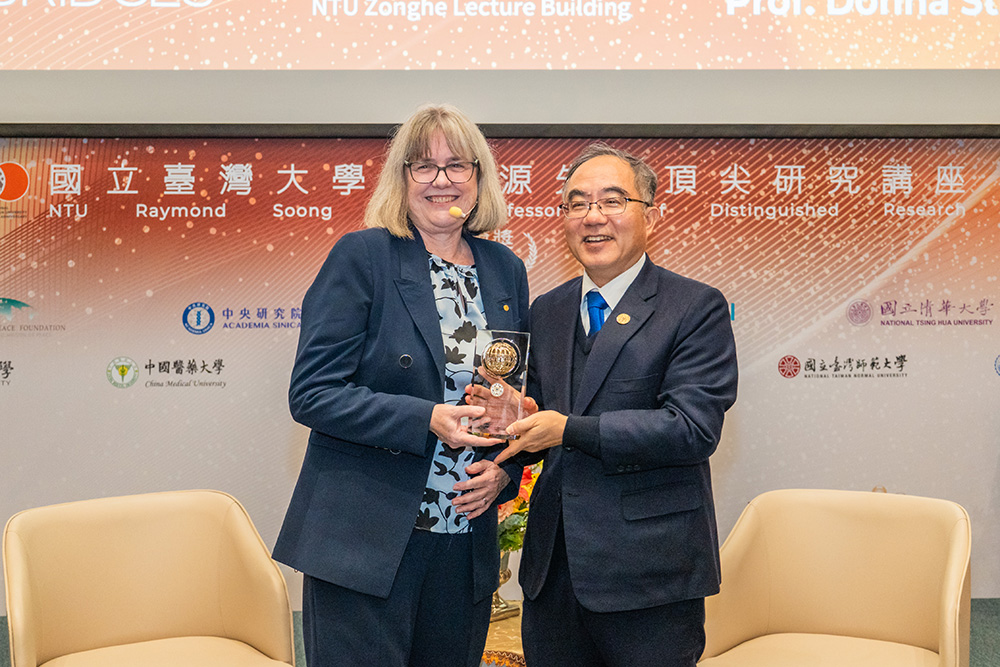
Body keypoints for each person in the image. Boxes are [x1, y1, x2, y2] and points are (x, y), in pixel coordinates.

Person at [272, 104, 529, 667]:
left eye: (457, 165)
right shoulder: (364, 256)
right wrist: (426, 419)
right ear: (402, 177)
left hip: (463, 535)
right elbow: (312, 392)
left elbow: (507, 396)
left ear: (478, 178)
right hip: (367, 536)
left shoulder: (504, 268)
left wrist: (503, 473)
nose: (442, 180)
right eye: (424, 166)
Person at [497, 143, 739, 667]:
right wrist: (508, 426)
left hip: (650, 575)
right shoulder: (548, 309)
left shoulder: (695, 307)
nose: (593, 217)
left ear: (650, 214)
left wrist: (569, 430)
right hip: (553, 574)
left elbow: (692, 429)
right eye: (577, 203)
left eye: (612, 201)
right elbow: (536, 421)